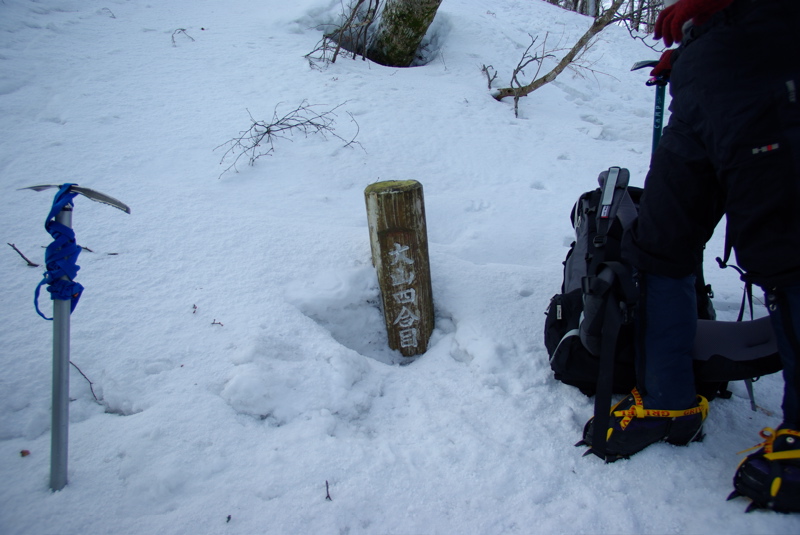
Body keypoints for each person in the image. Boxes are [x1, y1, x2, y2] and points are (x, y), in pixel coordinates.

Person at [581, 0, 800, 512]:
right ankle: (668, 401)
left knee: (786, 248)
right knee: (659, 241)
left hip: (766, 59)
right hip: (709, 70)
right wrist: (698, 47)